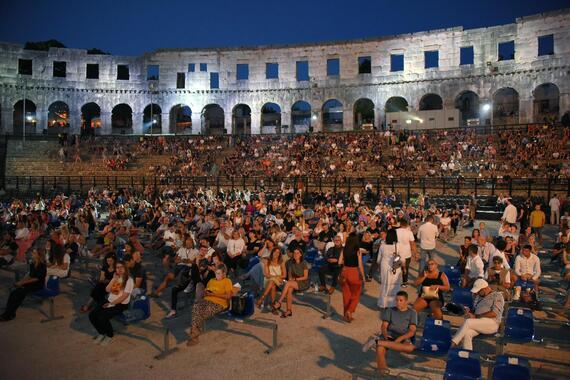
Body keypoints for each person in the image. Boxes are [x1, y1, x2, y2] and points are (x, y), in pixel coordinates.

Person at [362, 291, 417, 375]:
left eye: (401, 300)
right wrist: (385, 334)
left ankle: (376, 341)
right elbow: (384, 326)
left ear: (406, 301)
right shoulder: (390, 310)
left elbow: (412, 331)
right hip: (389, 335)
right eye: (396, 300)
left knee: (410, 348)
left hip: (403, 337)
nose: (398, 303)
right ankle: (383, 371)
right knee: (380, 349)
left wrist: (401, 338)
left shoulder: (412, 313)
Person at [187, 264, 234, 346]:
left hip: (219, 303)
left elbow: (228, 296)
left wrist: (214, 295)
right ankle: (195, 333)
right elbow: (206, 292)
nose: (217, 275)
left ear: (224, 274)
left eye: (219, 273)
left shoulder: (227, 281)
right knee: (196, 307)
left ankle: (194, 335)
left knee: (198, 313)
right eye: (216, 273)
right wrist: (205, 293)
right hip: (207, 300)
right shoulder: (211, 280)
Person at [88, 260, 134, 345]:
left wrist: (111, 304)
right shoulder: (117, 278)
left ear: (125, 268)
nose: (119, 269)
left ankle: (109, 335)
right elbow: (107, 290)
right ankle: (101, 333)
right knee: (92, 315)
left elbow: (124, 297)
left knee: (102, 317)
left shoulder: (129, 280)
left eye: (121, 267)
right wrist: (113, 279)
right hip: (109, 300)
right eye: (117, 267)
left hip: (120, 304)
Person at [451, 279, 504, 351]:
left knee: (468, 322)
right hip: (479, 322)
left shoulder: (497, 295)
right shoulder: (478, 297)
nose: (477, 293)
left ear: (484, 288)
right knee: (467, 334)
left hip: (492, 323)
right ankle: (468, 356)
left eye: (479, 291)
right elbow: (475, 311)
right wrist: (469, 312)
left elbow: (494, 313)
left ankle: (453, 343)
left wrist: (476, 316)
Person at [0, 248, 47, 321]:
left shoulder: (42, 264)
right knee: (14, 293)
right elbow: (30, 276)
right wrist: (21, 281)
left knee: (17, 293)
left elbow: (37, 278)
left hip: (37, 285)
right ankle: (10, 312)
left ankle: (8, 314)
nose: (32, 254)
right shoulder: (33, 263)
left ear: (39, 255)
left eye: (34, 253)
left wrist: (22, 283)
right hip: (30, 283)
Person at [339, 223, 365, 322]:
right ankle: (350, 311)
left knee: (346, 294)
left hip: (345, 271)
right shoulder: (358, 250)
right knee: (356, 294)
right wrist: (363, 276)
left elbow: (339, 261)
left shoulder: (344, 249)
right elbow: (360, 265)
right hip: (354, 272)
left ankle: (346, 314)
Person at [274, 248, 309, 318]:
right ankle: (288, 311)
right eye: (294, 253)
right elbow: (290, 276)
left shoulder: (304, 263)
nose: (295, 254)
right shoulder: (291, 263)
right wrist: (291, 279)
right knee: (289, 290)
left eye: (297, 253)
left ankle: (279, 302)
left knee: (288, 284)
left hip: (303, 282)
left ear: (301, 255)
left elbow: (305, 277)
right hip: (293, 282)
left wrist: (295, 279)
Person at [377, 229, 403, 310]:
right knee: (395, 285)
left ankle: (384, 304)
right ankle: (394, 303)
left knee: (385, 285)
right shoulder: (399, 246)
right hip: (395, 267)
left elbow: (378, 260)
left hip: (385, 266)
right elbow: (403, 259)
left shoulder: (382, 246)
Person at [256, 247, 286, 313]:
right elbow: (267, 275)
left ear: (280, 254)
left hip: (279, 281)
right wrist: (276, 277)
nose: (276, 254)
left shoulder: (281, 262)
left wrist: (277, 277)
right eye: (275, 252)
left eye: (278, 252)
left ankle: (262, 299)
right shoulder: (267, 261)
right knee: (272, 284)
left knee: (273, 283)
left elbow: (284, 275)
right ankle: (273, 306)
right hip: (268, 280)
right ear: (272, 253)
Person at [396, 219, 416, 287]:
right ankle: (404, 282)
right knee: (406, 268)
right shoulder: (409, 232)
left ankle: (395, 281)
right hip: (407, 253)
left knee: (396, 267)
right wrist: (414, 253)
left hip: (397, 252)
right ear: (407, 225)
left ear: (400, 224)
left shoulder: (395, 231)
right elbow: (412, 243)